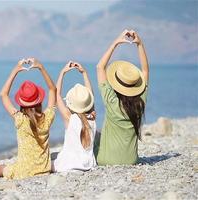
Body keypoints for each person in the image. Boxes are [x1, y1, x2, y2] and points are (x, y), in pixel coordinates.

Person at [0, 57, 56, 179]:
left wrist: (15, 70)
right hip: (44, 169)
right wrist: (41, 67)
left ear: (21, 103)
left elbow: (3, 95)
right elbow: (53, 89)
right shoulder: (47, 117)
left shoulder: (20, 119)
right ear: (39, 101)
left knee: (1, 168)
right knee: (9, 165)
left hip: (24, 172)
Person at [96, 29, 149, 165]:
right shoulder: (140, 101)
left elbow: (100, 67)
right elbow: (145, 71)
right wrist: (140, 44)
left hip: (106, 161)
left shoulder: (111, 101)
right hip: (131, 160)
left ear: (116, 82)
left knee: (95, 137)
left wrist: (116, 43)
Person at [52, 61, 97, 172]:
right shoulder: (92, 116)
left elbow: (56, 95)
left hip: (68, 164)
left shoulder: (70, 118)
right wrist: (84, 73)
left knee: (47, 163)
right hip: (89, 164)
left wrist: (62, 73)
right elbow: (90, 96)